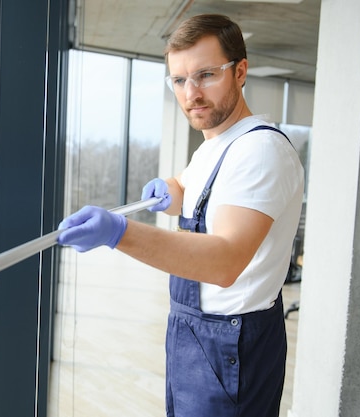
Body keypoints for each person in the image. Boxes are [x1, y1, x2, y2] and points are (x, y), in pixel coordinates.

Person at [57, 13, 304, 417]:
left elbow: (225, 261)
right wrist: (169, 191)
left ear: (240, 71)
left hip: (230, 345)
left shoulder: (260, 151)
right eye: (179, 80)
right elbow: (189, 188)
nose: (192, 93)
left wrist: (120, 232)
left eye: (206, 75)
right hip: (193, 333)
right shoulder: (214, 146)